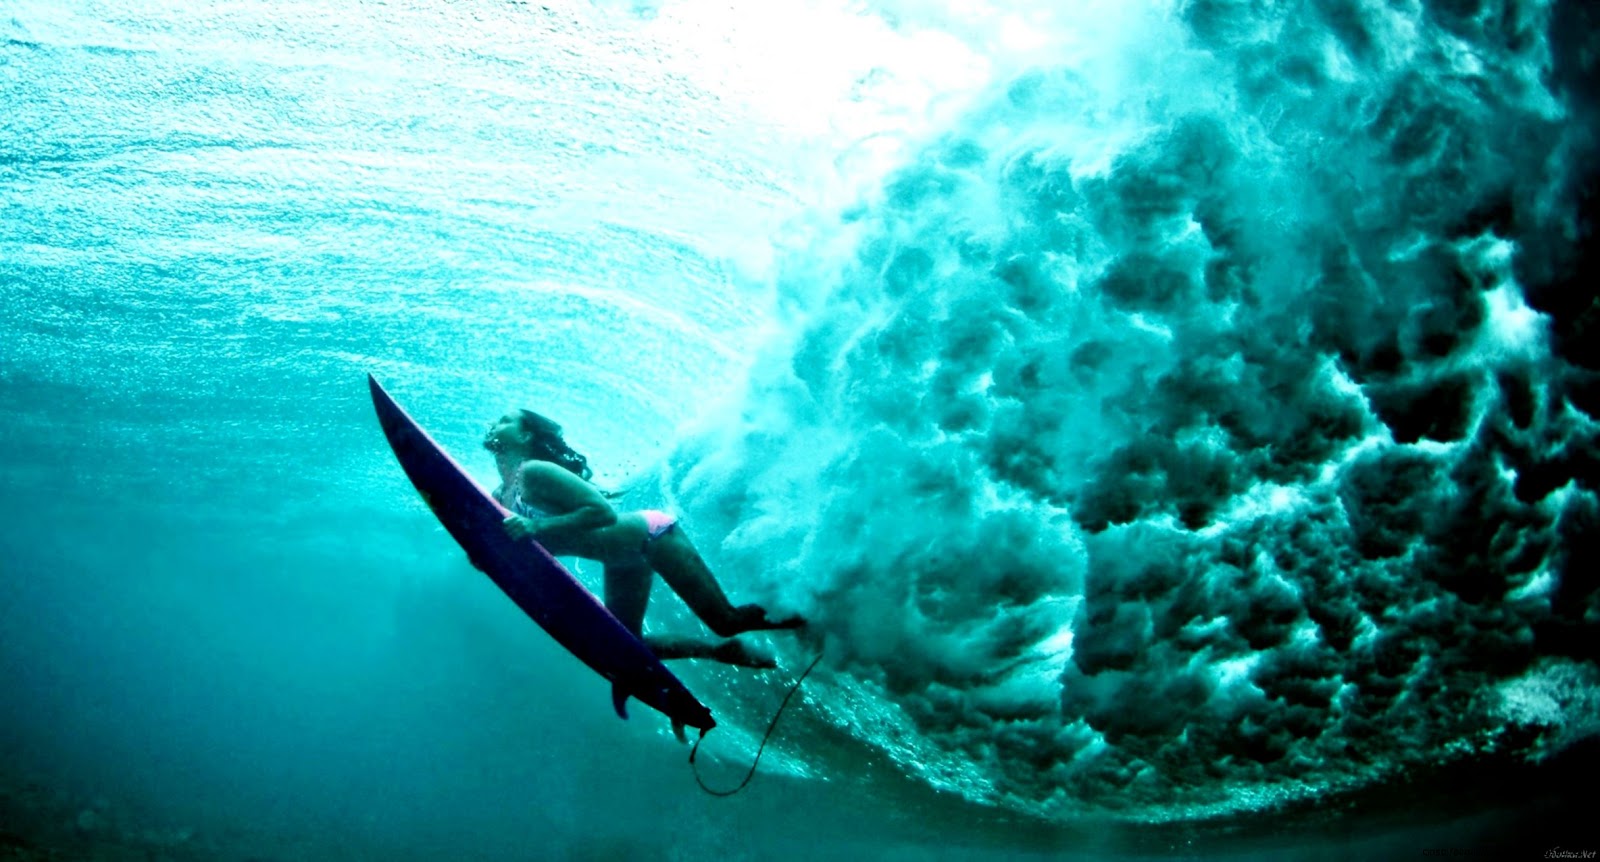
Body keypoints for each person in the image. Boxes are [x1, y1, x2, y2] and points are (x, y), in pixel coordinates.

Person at [482, 409, 803, 668]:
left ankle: (811, 614)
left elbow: (602, 512)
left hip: (651, 537)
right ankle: (718, 652)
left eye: (506, 421)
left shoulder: (534, 473)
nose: (496, 423)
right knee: (626, 644)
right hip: (622, 558)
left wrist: (536, 528)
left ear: (525, 435)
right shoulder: (501, 497)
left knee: (726, 619)